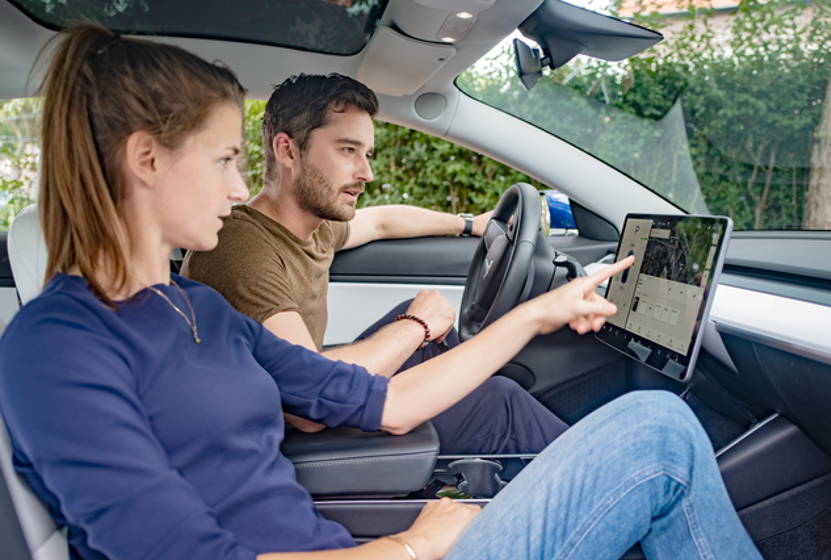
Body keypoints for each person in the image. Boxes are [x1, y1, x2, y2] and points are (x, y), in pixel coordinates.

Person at [0, 26, 763, 560]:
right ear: (147, 159)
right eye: (227, 159)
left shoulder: (192, 309)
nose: (239, 188)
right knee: (658, 435)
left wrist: (540, 312)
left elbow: (385, 402)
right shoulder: (55, 350)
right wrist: (410, 545)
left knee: (648, 438)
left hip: (348, 548)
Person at [181, 73, 571, 452]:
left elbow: (382, 221)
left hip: (297, 406)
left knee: (440, 350)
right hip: (270, 439)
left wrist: (470, 224)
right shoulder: (240, 248)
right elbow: (308, 403)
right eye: (348, 150)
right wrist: (415, 326)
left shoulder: (314, 228)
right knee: (498, 403)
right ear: (288, 151)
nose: (366, 173)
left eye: (366, 154)